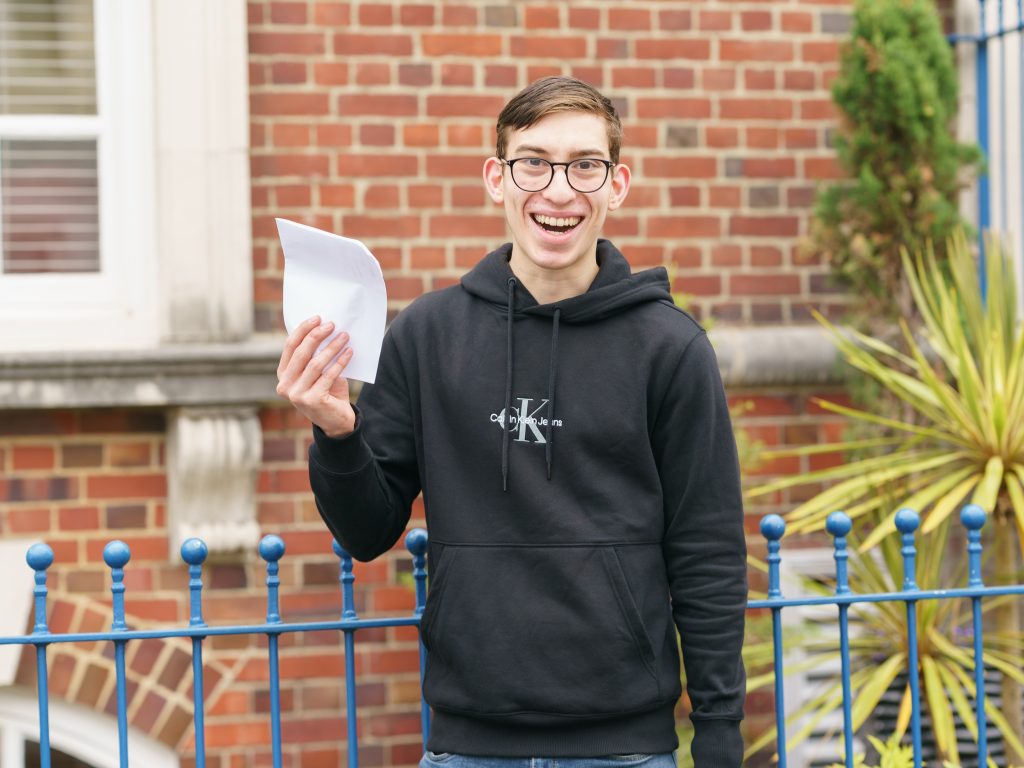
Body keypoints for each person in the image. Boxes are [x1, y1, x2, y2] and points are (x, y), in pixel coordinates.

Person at [276, 76, 748, 768]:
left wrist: (719, 735)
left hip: (623, 748)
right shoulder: (427, 336)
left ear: (616, 185)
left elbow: (707, 557)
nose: (559, 190)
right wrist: (337, 433)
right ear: (497, 178)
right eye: (534, 162)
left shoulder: (670, 349)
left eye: (585, 165)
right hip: (468, 745)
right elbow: (368, 531)